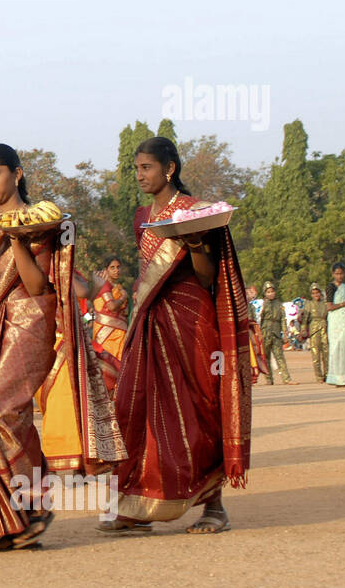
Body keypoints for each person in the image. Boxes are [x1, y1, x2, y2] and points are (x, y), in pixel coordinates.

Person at [0, 145, 124, 550]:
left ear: (17, 174)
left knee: (5, 411)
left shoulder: (43, 220)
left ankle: (30, 510)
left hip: (33, 321)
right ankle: (7, 519)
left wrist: (18, 240)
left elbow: (39, 285)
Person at [99, 136, 251, 535]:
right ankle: (138, 503)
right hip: (152, 321)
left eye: (146, 167)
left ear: (169, 168)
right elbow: (148, 267)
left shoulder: (198, 212)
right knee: (139, 408)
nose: (140, 175)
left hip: (192, 321)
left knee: (198, 410)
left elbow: (205, 276)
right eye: (136, 169)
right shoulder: (140, 216)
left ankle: (214, 507)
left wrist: (197, 242)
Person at [90, 256, 129, 386]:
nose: (116, 270)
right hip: (107, 334)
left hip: (119, 333)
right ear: (106, 270)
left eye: (118, 267)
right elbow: (111, 307)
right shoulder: (105, 285)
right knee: (111, 366)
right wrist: (123, 297)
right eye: (112, 267)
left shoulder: (116, 287)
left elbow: (125, 312)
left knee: (122, 364)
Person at [325, 263, 345, 386]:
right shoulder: (331, 287)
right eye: (337, 274)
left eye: (341, 273)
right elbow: (329, 307)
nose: (340, 276)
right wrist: (343, 303)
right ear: (333, 274)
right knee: (336, 347)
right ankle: (336, 377)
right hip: (335, 320)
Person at [259, 282, 295, 385]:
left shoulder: (279, 304)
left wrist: (284, 333)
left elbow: (283, 319)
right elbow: (259, 320)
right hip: (265, 332)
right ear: (264, 293)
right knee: (265, 357)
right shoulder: (262, 304)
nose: (271, 293)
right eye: (268, 292)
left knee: (279, 356)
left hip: (276, 332)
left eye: (272, 291)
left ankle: (286, 379)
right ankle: (269, 379)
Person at [305, 283, 329, 381]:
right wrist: (303, 330)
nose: (316, 295)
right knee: (315, 354)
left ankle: (327, 374)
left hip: (324, 328)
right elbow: (304, 319)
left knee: (326, 353)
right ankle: (319, 376)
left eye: (317, 293)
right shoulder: (309, 305)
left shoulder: (325, 304)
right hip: (314, 329)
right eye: (313, 293)